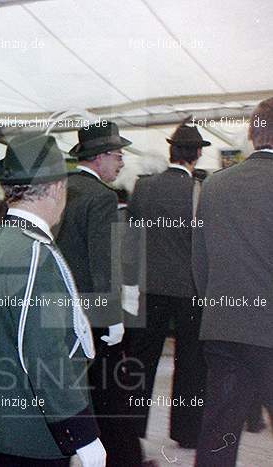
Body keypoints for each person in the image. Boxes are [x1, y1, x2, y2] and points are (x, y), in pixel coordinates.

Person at [0, 133, 104, 467]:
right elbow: (45, 354)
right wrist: (82, 434)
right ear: (57, 187)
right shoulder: (35, 254)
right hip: (31, 434)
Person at [56, 122, 143, 466]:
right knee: (109, 400)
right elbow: (103, 264)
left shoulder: (59, 189)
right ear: (101, 157)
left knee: (69, 396)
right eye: (119, 155)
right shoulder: (102, 197)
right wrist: (113, 321)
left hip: (57, 313)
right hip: (91, 317)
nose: (121, 163)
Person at [193, 97, 273, 466]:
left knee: (218, 434)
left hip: (223, 327)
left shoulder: (214, 185)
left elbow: (201, 263)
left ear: (253, 134)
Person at [122, 121, 209, 448]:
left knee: (140, 362)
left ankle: (131, 429)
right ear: (197, 154)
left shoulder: (143, 188)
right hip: (190, 292)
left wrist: (129, 287)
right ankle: (186, 433)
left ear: (171, 150)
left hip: (149, 289)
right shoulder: (201, 190)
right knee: (190, 363)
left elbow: (129, 242)